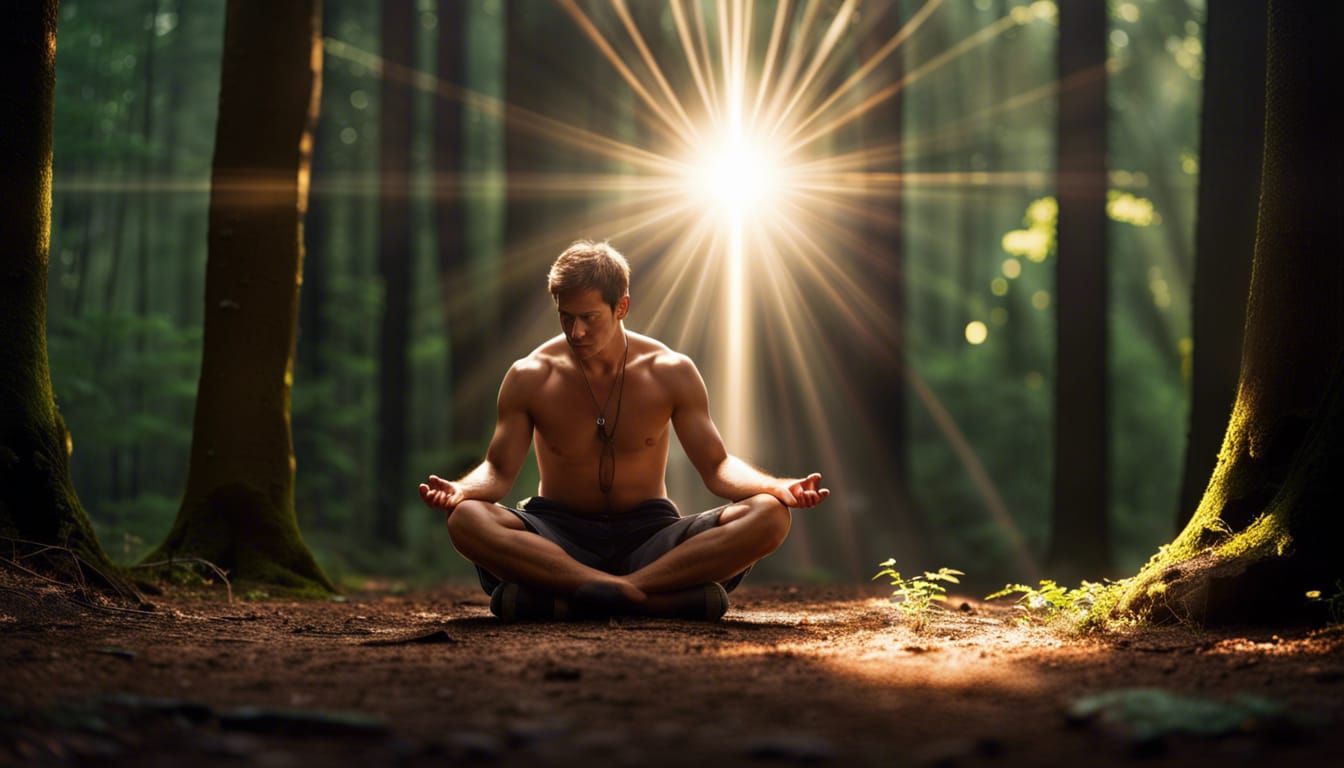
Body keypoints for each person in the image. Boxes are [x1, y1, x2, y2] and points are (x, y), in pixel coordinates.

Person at [419, 240, 829, 621]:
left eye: (589, 318)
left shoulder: (671, 371)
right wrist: (461, 491)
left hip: (650, 537)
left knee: (771, 516)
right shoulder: (530, 376)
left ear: (622, 307)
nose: (576, 332)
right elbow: (498, 470)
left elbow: (717, 466)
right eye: (566, 317)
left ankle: (601, 593)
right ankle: (651, 599)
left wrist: (777, 487)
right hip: (557, 535)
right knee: (466, 519)